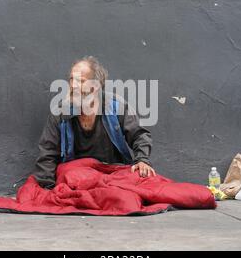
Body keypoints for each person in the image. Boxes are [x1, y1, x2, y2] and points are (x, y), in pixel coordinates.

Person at [33, 56, 155, 189]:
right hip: (77, 176)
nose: (73, 85)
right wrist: (48, 187)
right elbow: (48, 152)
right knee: (68, 176)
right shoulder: (61, 113)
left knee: (141, 180)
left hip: (112, 172)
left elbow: (139, 135)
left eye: (81, 81)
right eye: (72, 79)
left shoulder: (116, 106)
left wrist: (142, 160)